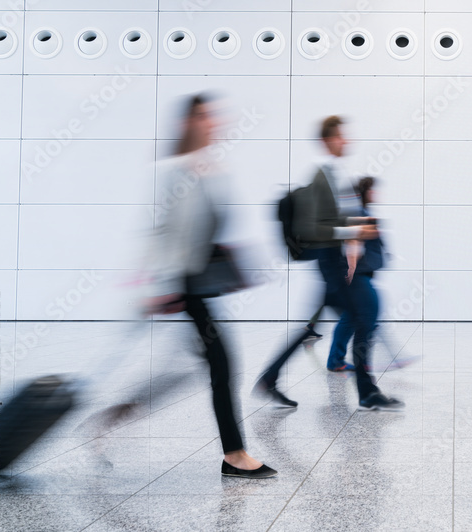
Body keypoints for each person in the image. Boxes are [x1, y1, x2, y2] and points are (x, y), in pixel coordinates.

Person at [146, 94, 276, 478]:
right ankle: (234, 455)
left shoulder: (208, 168)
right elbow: (161, 231)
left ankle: (111, 419)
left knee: (187, 369)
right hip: (184, 285)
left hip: (197, 284)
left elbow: (205, 228)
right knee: (221, 364)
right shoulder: (174, 170)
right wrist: (164, 284)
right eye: (203, 116)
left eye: (213, 116)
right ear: (188, 123)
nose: (212, 122)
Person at [257, 116, 403, 410]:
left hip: (337, 262)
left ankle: (270, 377)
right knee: (366, 313)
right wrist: (353, 231)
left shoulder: (337, 174)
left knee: (329, 324)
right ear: (326, 141)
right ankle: (366, 391)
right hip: (331, 263)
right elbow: (313, 228)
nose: (345, 141)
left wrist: (358, 226)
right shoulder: (323, 176)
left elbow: (338, 218)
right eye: (339, 136)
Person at [326, 177, 385, 372]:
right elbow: (353, 242)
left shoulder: (363, 212)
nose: (375, 193)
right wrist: (351, 269)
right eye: (372, 190)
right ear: (364, 193)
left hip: (361, 273)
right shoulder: (359, 213)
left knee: (351, 317)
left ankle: (337, 359)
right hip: (357, 275)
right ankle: (358, 361)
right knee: (368, 313)